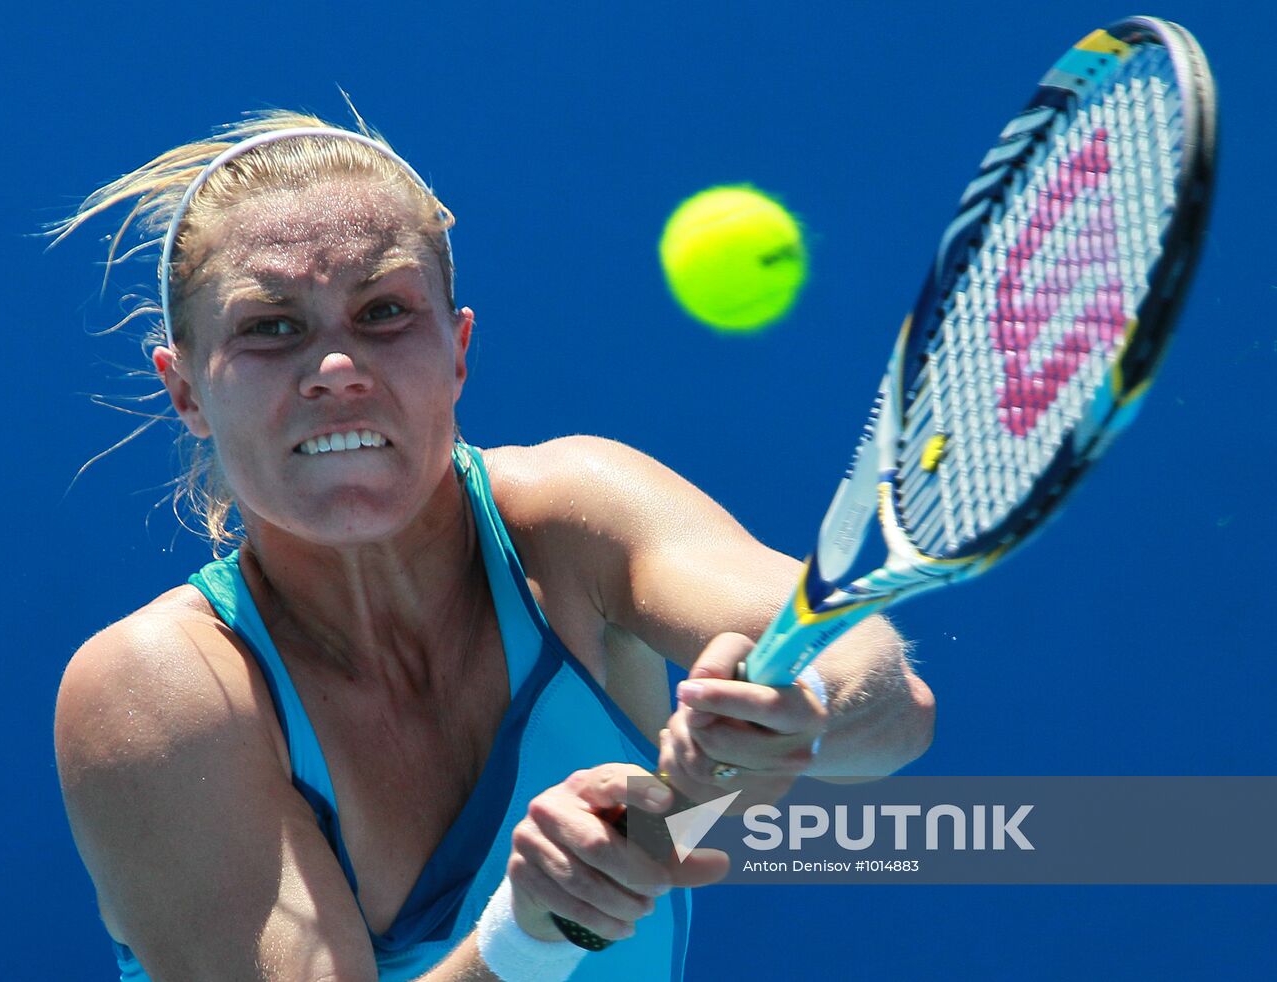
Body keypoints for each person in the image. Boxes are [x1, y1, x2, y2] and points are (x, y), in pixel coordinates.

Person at [52, 109, 935, 982]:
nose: (336, 368)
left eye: (384, 310)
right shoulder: (161, 688)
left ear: (459, 349)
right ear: (186, 392)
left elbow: (884, 693)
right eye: (271, 326)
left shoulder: (572, 518)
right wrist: (528, 941)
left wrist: (800, 707)